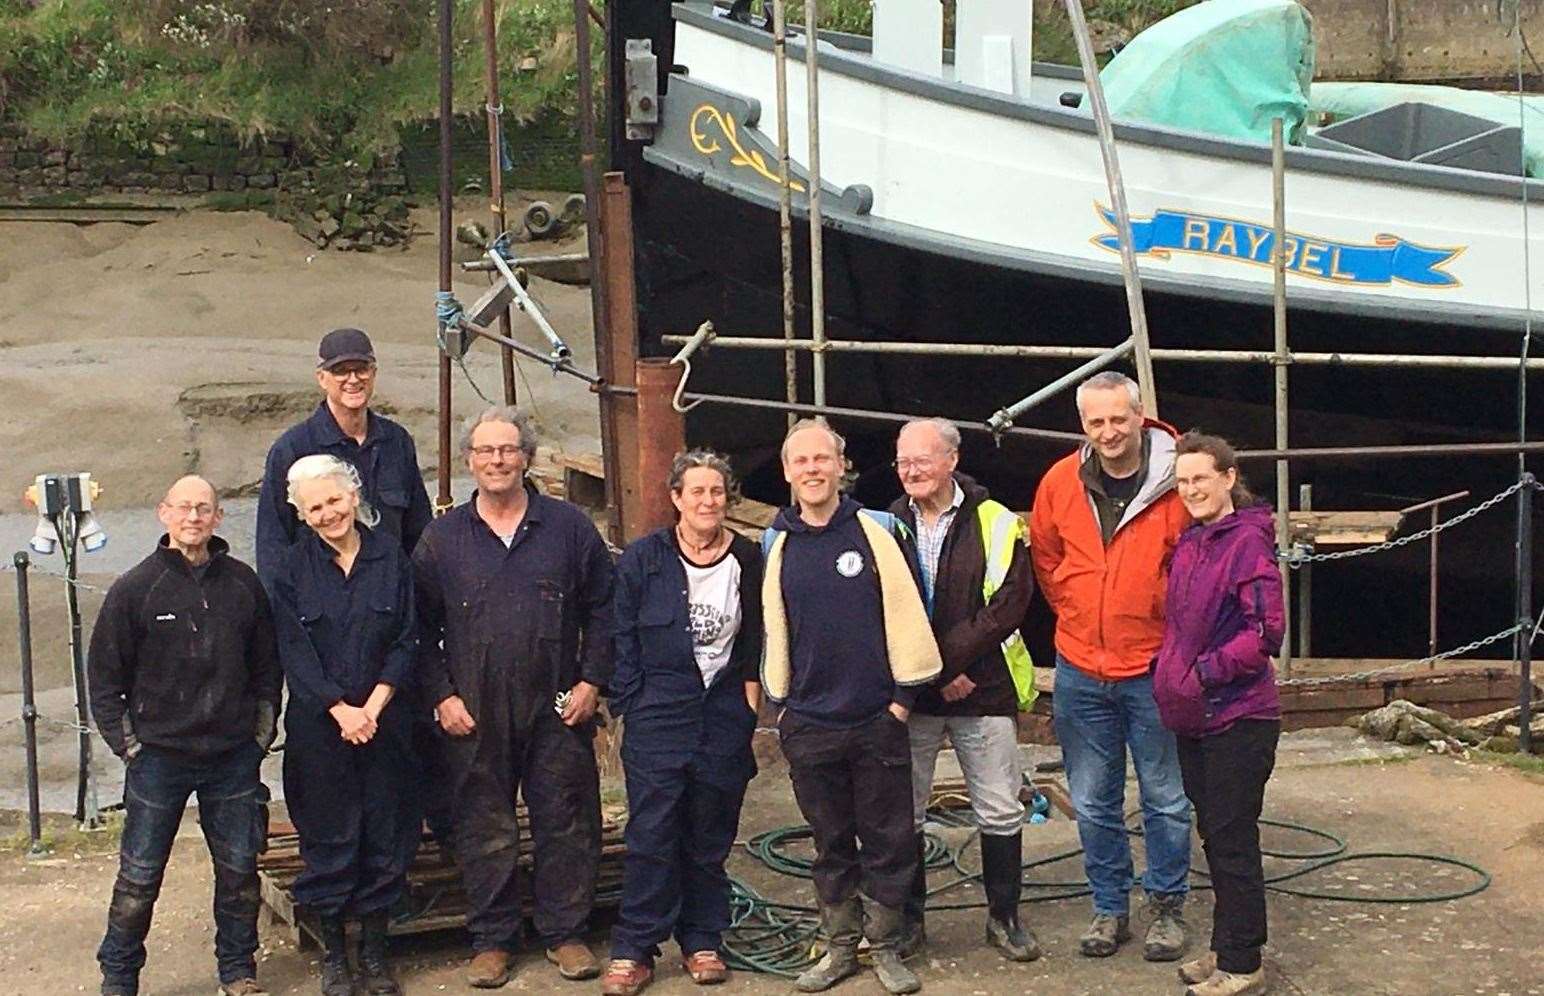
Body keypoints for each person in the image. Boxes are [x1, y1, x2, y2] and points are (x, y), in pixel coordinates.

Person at [413, 405, 615, 989]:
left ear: (526, 458)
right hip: (474, 708)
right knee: (483, 825)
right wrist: (441, 696)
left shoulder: (568, 528)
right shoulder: (443, 538)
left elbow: (605, 608)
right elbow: (418, 630)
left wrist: (591, 681)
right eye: (485, 451)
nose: (497, 460)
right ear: (470, 461)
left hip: (558, 702)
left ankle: (566, 933)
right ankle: (493, 939)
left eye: (507, 450)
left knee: (566, 818)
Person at [253, 326, 450, 854]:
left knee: (398, 768)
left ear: (374, 373)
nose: (353, 378)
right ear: (322, 379)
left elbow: (418, 538)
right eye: (341, 371)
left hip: (390, 636)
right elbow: (273, 555)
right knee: (328, 776)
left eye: (361, 367)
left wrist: (419, 625)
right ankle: (338, 899)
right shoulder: (292, 450)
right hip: (324, 643)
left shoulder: (397, 443)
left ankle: (392, 889)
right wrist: (298, 646)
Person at [763, 418, 942, 996]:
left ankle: (886, 945)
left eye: (822, 459)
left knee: (889, 840)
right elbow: (769, 631)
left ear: (841, 466)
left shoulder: (877, 532)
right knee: (830, 842)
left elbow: (913, 613)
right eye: (801, 462)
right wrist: (783, 710)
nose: (812, 470)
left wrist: (901, 702)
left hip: (876, 719)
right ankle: (840, 946)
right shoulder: (778, 541)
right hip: (810, 722)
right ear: (788, 473)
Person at [88, 476, 282, 996]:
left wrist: (259, 734)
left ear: (219, 518)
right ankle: (120, 976)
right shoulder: (135, 589)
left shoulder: (244, 585)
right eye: (184, 508)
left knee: (239, 873)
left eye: (204, 509)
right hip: (158, 759)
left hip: (232, 757)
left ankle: (238, 971)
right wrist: (128, 746)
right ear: (163, 514)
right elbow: (104, 679)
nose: (193, 518)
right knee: (139, 877)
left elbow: (267, 668)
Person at [1029, 371, 1194, 962]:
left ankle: (1168, 907)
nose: (1109, 431)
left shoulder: (1179, 479)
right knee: (1093, 799)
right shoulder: (1060, 481)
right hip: (1080, 665)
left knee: (1166, 797)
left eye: (1118, 419)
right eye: (1096, 422)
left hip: (1153, 665)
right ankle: (1110, 906)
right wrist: (1077, 607)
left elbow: (1202, 560)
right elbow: (1046, 555)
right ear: (1083, 424)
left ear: (1140, 413)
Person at [601, 451, 764, 996]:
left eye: (716, 492)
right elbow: (618, 632)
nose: (707, 502)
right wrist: (630, 700)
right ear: (676, 498)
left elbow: (761, 627)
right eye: (696, 491)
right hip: (658, 709)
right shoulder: (644, 559)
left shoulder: (747, 557)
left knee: (710, 830)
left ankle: (702, 939)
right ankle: (635, 947)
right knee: (652, 832)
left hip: (721, 711)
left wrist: (750, 690)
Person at [887, 418, 1039, 963]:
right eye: (903, 461)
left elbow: (1009, 605)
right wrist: (933, 673)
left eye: (921, 459)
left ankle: (1005, 920)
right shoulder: (887, 523)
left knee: (999, 808)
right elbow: (883, 610)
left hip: (984, 687)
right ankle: (909, 924)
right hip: (913, 696)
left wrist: (945, 662)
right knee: (904, 813)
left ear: (952, 459)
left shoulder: (996, 521)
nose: (910, 470)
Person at [269, 455, 420, 996]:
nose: (328, 512)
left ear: (354, 497)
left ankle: (376, 957)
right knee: (329, 840)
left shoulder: (392, 560)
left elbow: (407, 639)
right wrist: (341, 710)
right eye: (315, 506)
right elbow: (295, 651)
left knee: (386, 834)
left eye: (335, 500)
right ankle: (336, 958)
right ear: (301, 513)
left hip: (386, 724)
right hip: (320, 731)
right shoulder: (288, 570)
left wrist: (373, 708)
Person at [1153, 433, 1284, 996]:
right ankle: (1224, 947)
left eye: (1201, 479)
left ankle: (1243, 963)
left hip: (1239, 717)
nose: (1192, 490)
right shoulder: (1193, 541)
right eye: (1183, 482)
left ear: (1229, 478)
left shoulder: (1248, 545)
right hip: (1196, 717)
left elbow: (1265, 633)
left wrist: (1203, 672)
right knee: (1215, 836)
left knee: (1232, 841)